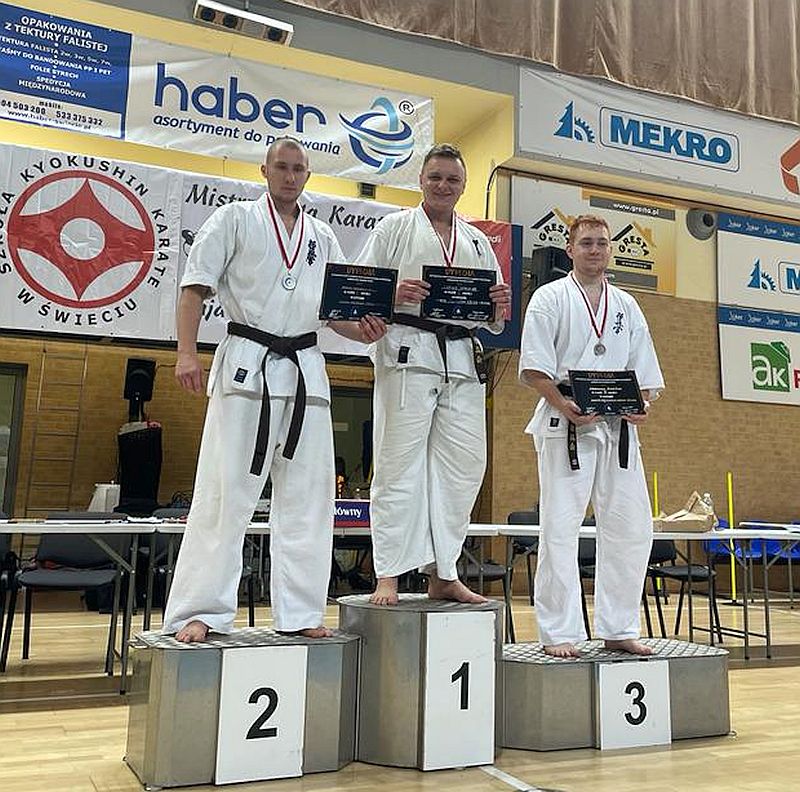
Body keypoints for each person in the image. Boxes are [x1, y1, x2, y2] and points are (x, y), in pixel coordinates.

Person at [162, 137, 385, 642]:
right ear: (264, 170)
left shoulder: (322, 236)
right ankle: (201, 611)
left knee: (310, 500)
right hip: (248, 363)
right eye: (281, 167)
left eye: (298, 169)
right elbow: (194, 287)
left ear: (308, 175)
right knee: (225, 493)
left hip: (306, 370)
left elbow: (335, 313)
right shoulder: (233, 219)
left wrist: (364, 330)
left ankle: (301, 611)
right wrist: (185, 353)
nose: (289, 176)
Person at [355, 143, 512, 606]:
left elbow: (492, 316)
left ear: (463, 186)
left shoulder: (478, 241)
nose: (444, 185)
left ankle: (444, 571)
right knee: (397, 466)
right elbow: (360, 290)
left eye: (453, 179)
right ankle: (388, 572)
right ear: (421, 180)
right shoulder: (393, 228)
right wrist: (393, 294)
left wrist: (497, 306)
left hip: (461, 359)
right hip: (409, 353)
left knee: (464, 468)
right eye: (436, 177)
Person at [519, 214, 664, 657]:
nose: (595, 249)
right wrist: (562, 404)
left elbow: (644, 374)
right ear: (570, 249)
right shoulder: (549, 298)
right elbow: (534, 368)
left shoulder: (626, 305)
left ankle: (618, 627)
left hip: (617, 428)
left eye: (601, 242)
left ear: (610, 249)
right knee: (560, 528)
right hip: (566, 421)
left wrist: (642, 405)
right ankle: (558, 632)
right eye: (586, 243)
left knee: (631, 527)